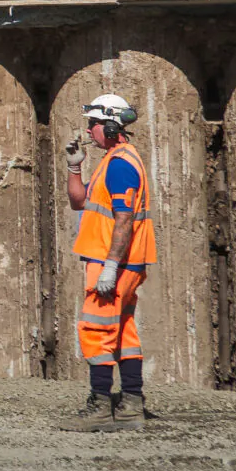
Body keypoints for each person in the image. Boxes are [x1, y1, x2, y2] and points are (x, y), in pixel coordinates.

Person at [63, 92, 156, 429]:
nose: (88, 131)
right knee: (123, 331)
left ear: (112, 126)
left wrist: (110, 266)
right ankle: (131, 404)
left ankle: (101, 406)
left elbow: (124, 218)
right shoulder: (112, 161)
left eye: (94, 124)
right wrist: (75, 166)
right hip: (120, 261)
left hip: (112, 261)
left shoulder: (120, 165)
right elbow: (79, 202)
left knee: (96, 330)